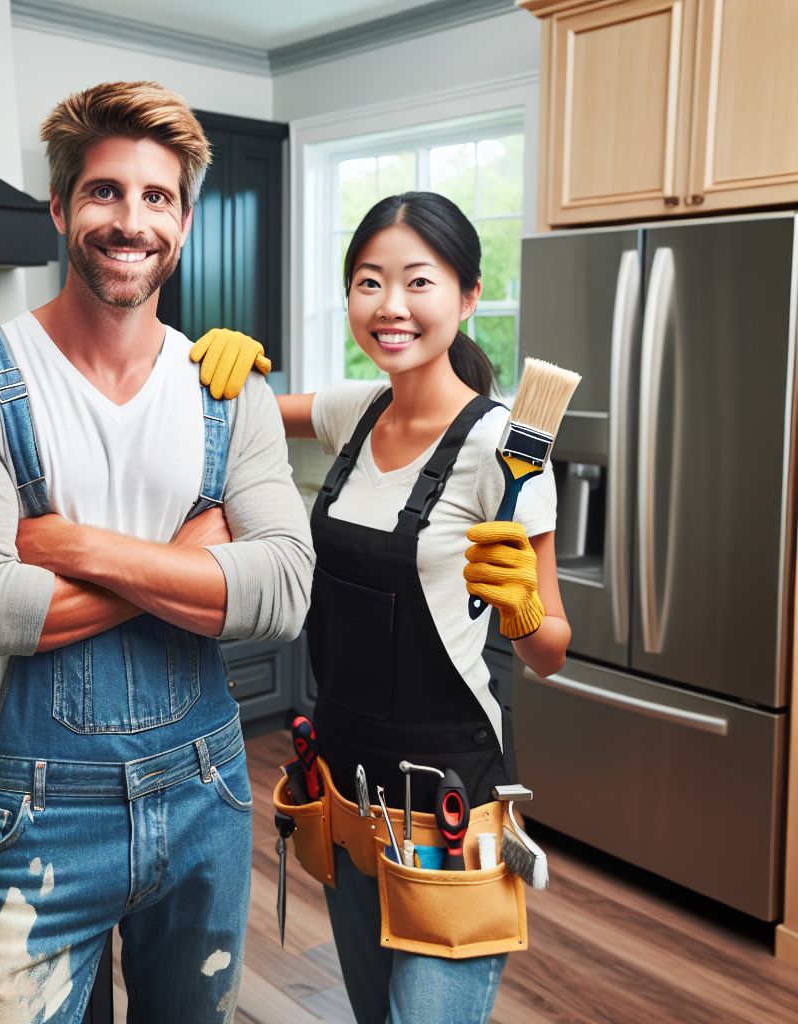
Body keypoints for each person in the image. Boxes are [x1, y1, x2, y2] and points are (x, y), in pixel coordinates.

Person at [0, 80, 314, 1024]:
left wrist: (78, 548)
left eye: (158, 197)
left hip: (208, 791)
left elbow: (285, 592)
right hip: (38, 809)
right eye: (104, 192)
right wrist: (190, 556)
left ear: (183, 221)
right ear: (60, 207)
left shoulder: (230, 389)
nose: (130, 220)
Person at [194, 191, 570, 1023]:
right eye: (368, 282)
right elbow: (239, 411)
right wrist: (223, 357)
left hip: (451, 804)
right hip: (349, 783)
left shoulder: (503, 450)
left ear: (467, 297)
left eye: (418, 282)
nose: (390, 306)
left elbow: (551, 650)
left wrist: (521, 613)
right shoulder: (353, 412)